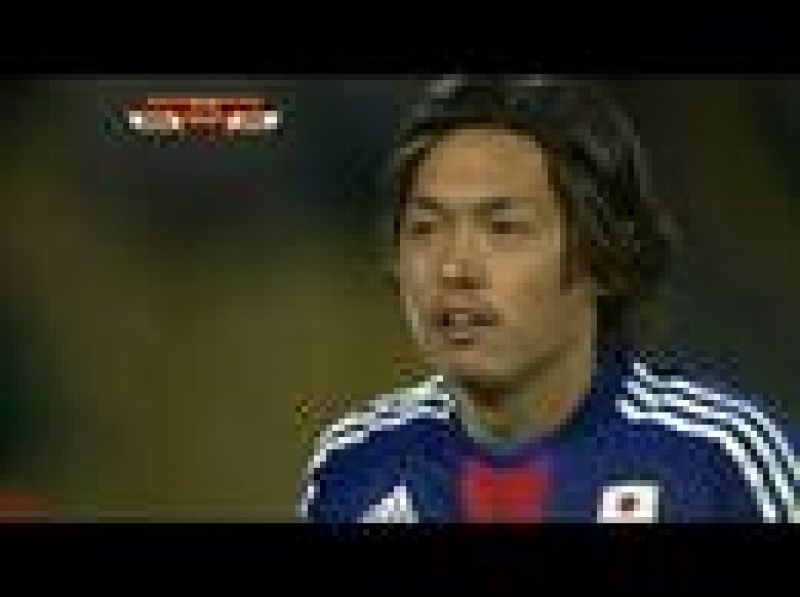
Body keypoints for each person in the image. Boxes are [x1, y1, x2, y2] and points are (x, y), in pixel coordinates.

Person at [297, 75, 799, 523]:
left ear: (599, 254)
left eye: (503, 229)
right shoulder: (354, 467)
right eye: (425, 229)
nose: (454, 269)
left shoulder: (717, 460)